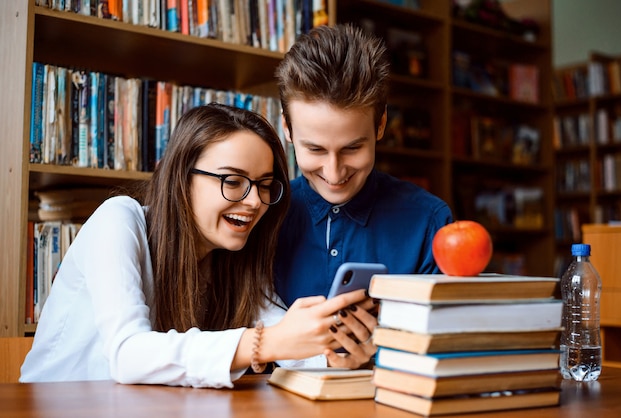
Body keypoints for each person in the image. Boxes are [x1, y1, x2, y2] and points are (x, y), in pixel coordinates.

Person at [20, 103, 375, 388]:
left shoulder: (234, 258)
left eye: (265, 185)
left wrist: (336, 356)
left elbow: (283, 333)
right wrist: (266, 343)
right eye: (233, 181)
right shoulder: (119, 219)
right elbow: (128, 354)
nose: (254, 202)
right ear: (181, 177)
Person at [274, 24, 454, 306]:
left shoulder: (430, 223)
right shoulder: (264, 217)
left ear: (381, 125)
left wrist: (378, 350)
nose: (334, 173)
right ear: (287, 128)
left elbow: (443, 341)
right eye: (315, 149)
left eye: (352, 148)